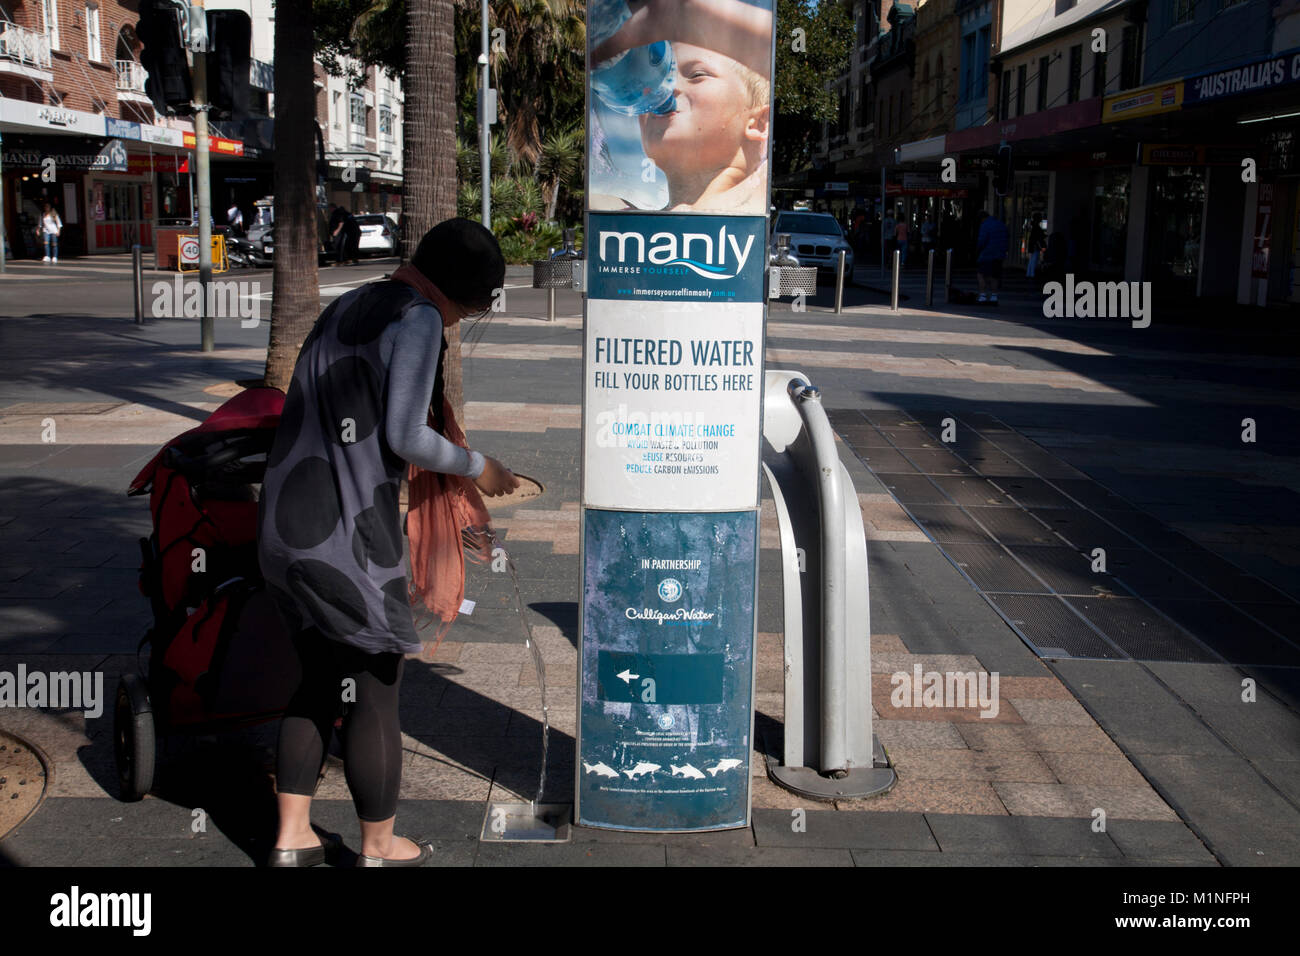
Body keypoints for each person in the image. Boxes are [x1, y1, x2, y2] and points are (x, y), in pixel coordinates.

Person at [259, 218, 520, 867]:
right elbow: (406, 434)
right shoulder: (419, 318)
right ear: (460, 293)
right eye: (471, 307)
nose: (462, 322)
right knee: (376, 688)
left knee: (316, 679)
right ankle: (378, 845)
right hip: (344, 535)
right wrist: (477, 464)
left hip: (285, 525)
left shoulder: (350, 302)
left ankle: (291, 840)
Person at [589, 0, 773, 214]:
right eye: (663, 74)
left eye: (696, 75)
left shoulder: (753, 200)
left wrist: (684, 11)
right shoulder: (619, 214)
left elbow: (773, 44)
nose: (665, 88)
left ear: (759, 123)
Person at [974, 209, 1009, 304]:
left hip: (987, 254)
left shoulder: (985, 225)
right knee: (995, 276)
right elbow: (1006, 239)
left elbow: (982, 241)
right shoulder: (1001, 224)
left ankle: (982, 296)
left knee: (981, 274)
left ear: (982, 219)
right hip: (999, 254)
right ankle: (994, 296)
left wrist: (977, 250)